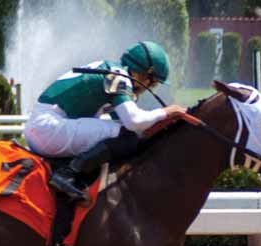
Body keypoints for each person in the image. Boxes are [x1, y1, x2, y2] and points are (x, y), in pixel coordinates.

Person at [23, 41, 186, 203]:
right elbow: (134, 122)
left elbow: (129, 123)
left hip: (45, 126)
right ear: (143, 74)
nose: (149, 88)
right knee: (126, 135)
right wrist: (166, 112)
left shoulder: (113, 71)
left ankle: (79, 174)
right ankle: (67, 174)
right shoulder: (117, 76)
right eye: (153, 83)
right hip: (47, 128)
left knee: (120, 132)